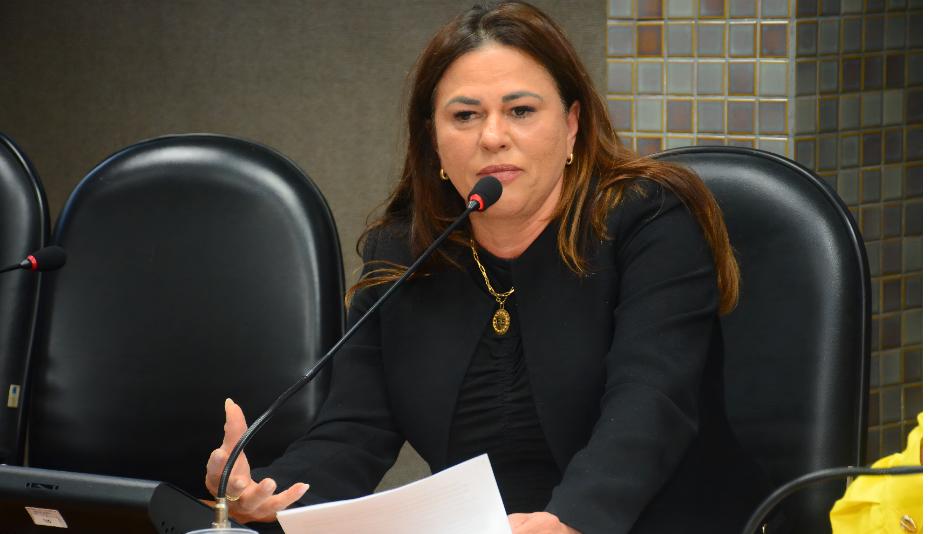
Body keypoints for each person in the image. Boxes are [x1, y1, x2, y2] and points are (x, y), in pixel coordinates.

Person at [205, 2, 774, 532]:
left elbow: (651, 401)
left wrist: (571, 519)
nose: (493, 137)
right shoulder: (406, 252)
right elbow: (354, 429)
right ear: (433, 140)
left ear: (572, 125)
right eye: (465, 115)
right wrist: (268, 492)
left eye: (521, 111)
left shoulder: (647, 222)